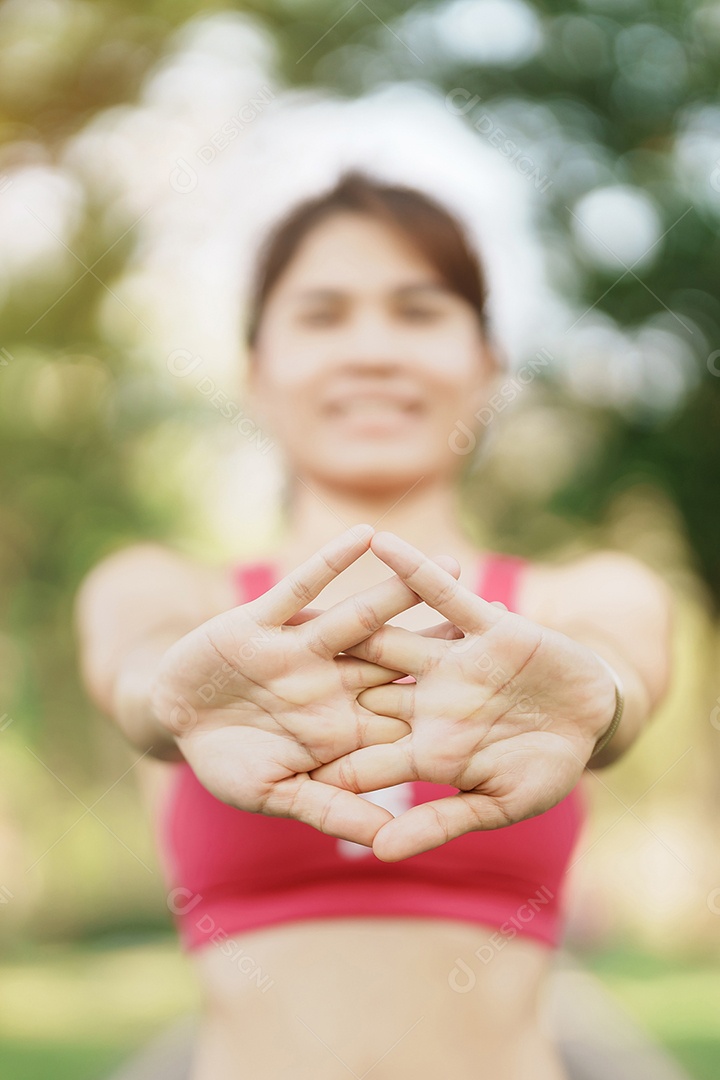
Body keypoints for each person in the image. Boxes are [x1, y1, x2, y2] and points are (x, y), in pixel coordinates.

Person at [75, 170, 673, 1080]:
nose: (372, 352)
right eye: (322, 315)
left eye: (418, 311)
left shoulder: (574, 598)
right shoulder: (168, 590)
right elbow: (141, 669)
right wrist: (171, 697)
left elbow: (618, 671)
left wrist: (602, 702)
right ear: (257, 374)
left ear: (487, 365)